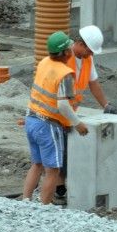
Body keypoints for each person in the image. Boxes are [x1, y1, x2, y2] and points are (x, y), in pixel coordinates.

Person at [54, 25, 117, 205]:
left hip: (69, 112)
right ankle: (58, 191)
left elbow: (93, 83)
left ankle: (62, 188)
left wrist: (106, 105)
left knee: (67, 152)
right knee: (58, 154)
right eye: (89, 50)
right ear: (79, 44)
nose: (91, 54)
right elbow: (58, 96)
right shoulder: (64, 58)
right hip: (56, 112)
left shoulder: (86, 59)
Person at [22, 31, 88, 204]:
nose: (71, 50)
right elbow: (63, 105)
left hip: (31, 119)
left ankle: (26, 201)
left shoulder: (44, 62)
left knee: (37, 165)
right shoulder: (65, 73)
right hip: (48, 126)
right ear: (65, 52)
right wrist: (78, 124)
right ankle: (44, 208)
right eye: (69, 48)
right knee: (53, 170)